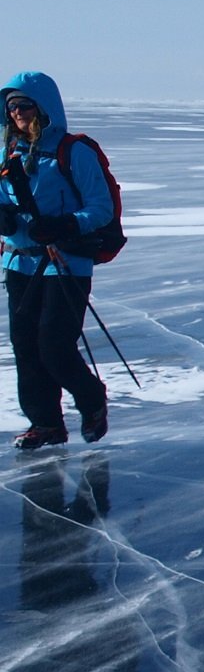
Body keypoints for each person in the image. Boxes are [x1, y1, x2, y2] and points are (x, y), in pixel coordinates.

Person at [1, 73, 113, 452]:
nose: (17, 113)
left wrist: (65, 224)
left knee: (53, 346)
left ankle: (92, 398)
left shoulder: (73, 152)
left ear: (44, 108)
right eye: (11, 106)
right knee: (26, 346)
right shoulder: (8, 153)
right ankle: (45, 423)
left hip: (65, 263)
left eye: (24, 105)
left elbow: (101, 208)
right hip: (20, 264)